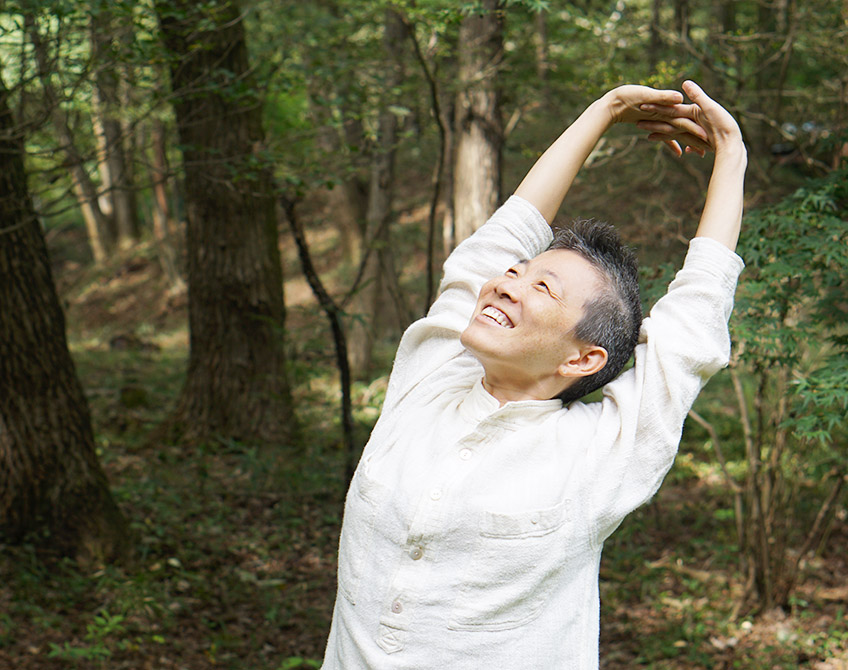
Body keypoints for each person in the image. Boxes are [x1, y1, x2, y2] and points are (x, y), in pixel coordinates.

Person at [321, 80, 748, 669]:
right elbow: (504, 233)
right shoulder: (432, 374)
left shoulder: (601, 452)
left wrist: (731, 153)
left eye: (540, 287)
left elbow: (693, 321)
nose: (505, 284)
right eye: (516, 271)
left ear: (582, 359)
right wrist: (605, 110)